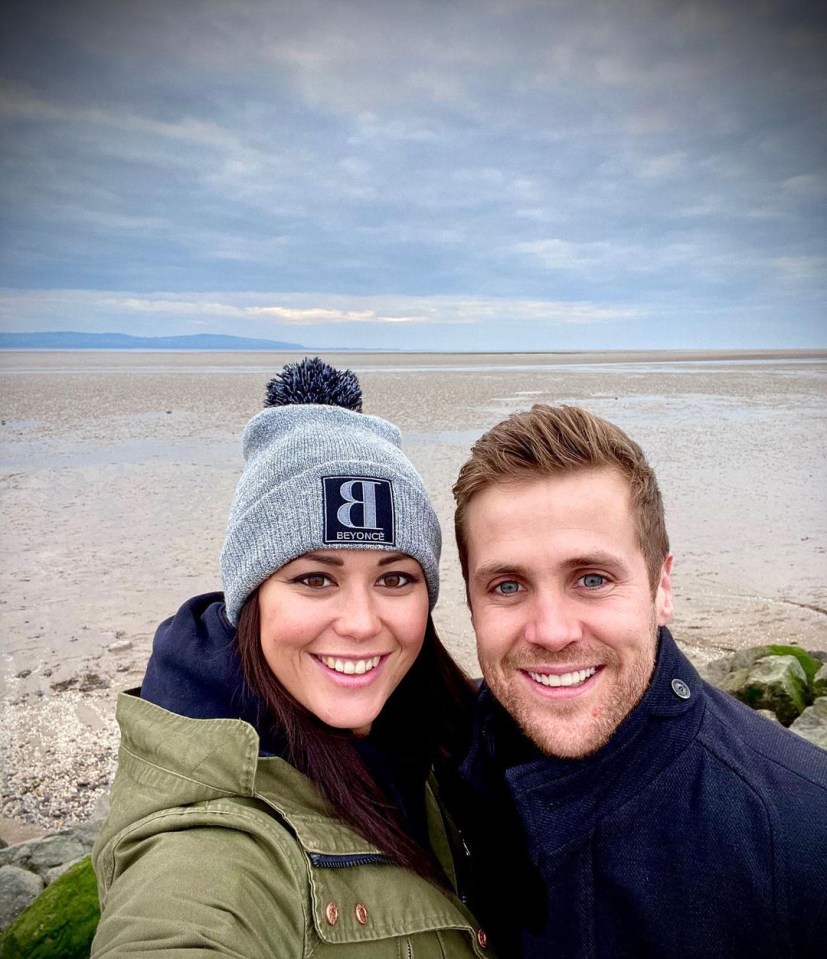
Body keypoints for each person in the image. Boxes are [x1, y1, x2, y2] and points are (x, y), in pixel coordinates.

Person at [91, 358, 492, 958]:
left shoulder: (438, 733)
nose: (360, 623)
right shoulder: (212, 847)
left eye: (395, 579)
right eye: (314, 580)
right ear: (251, 598)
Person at [450, 403, 827, 959]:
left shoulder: (801, 832)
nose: (552, 632)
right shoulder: (427, 776)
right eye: (507, 586)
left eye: (593, 578)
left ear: (662, 587)